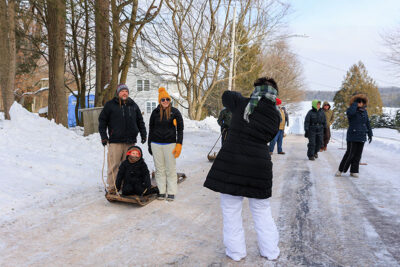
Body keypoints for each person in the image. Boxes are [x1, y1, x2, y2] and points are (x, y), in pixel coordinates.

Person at [204, 77, 281, 262]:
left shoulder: (242, 103)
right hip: (258, 165)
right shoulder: (275, 115)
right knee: (262, 211)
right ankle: (270, 251)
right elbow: (271, 136)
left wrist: (245, 97)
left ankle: (236, 252)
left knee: (231, 211)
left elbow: (226, 95)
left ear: (256, 90)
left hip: (232, 163)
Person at [98, 84, 147, 194]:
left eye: (126, 91)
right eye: (122, 91)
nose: (124, 93)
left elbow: (140, 121)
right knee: (114, 165)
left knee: (129, 166)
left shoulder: (133, 105)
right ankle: (112, 187)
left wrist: (143, 134)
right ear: (118, 93)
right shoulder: (110, 105)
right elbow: (102, 122)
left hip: (130, 142)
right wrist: (104, 137)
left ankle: (126, 186)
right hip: (116, 141)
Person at [148, 87, 184, 201]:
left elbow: (180, 130)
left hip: (170, 145)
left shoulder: (175, 112)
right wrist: (149, 144)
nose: (165, 102)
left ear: (170, 100)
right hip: (156, 144)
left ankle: (172, 192)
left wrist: (179, 144)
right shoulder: (155, 112)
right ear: (159, 101)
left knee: (170, 169)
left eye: (167, 99)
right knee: (159, 169)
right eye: (163, 100)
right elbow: (151, 129)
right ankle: (161, 191)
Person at [335, 94, 372, 178]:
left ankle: (354, 171)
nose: (360, 103)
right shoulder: (351, 110)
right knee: (349, 154)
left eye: (362, 102)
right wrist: (355, 104)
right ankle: (340, 170)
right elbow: (350, 113)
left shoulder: (364, 111)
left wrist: (370, 133)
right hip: (353, 135)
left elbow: (367, 123)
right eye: (359, 101)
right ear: (355, 102)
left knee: (358, 155)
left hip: (362, 135)